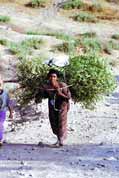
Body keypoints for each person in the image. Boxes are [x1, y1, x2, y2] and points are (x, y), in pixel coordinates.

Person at [42, 69, 71, 147]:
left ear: (57, 78)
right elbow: (45, 96)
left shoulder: (62, 85)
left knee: (61, 122)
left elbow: (68, 97)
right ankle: (58, 139)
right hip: (52, 106)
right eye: (51, 76)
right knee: (54, 122)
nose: (52, 78)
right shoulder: (47, 86)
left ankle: (61, 140)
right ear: (48, 78)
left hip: (62, 106)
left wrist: (60, 93)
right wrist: (42, 91)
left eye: (54, 76)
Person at [0, 75, 13, 146]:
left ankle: (0, 139)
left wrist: (11, 113)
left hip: (2, 112)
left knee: (0, 124)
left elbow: (9, 103)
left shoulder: (5, 93)